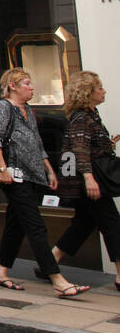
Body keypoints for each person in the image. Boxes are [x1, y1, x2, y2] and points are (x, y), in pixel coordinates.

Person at [0, 68, 89, 298]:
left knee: (16, 224)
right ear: (12, 86)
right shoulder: (3, 107)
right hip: (14, 176)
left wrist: (49, 171)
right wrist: (2, 169)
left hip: (32, 174)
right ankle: (57, 279)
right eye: (26, 83)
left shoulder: (27, 110)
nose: (32, 87)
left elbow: (37, 143)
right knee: (35, 225)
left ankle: (0, 272)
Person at [36, 71, 120, 290]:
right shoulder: (82, 117)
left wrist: (107, 144)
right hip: (87, 181)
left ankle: (50, 261)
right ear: (87, 93)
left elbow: (86, 147)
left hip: (83, 179)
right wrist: (89, 179)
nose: (103, 91)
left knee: (83, 224)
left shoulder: (91, 115)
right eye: (99, 88)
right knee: (113, 224)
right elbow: (79, 150)